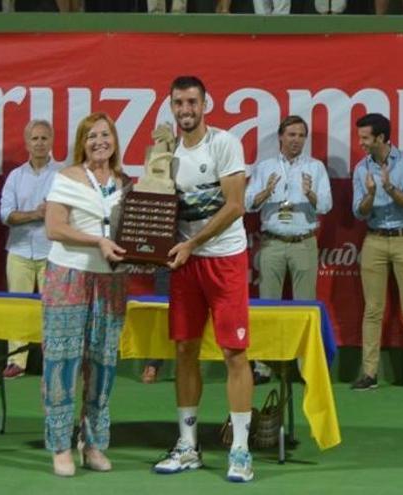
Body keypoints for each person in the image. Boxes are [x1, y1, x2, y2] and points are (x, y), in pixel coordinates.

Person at [151, 76, 254, 483]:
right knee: (184, 351)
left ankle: (241, 450)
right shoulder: (167, 151)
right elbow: (155, 204)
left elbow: (234, 205)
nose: (185, 109)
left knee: (234, 354)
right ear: (171, 107)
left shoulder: (225, 143)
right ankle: (188, 445)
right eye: (178, 103)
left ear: (205, 103)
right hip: (184, 264)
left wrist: (192, 242)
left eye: (191, 101)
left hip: (224, 259)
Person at [41, 112, 129, 477]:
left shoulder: (125, 181)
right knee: (62, 363)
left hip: (111, 281)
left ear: (114, 140)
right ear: (82, 142)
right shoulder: (66, 177)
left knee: (104, 364)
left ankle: (92, 443)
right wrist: (97, 240)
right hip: (68, 275)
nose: (99, 142)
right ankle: (60, 446)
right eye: (91, 136)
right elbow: (54, 227)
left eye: (105, 135)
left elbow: (133, 229)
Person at [245, 114, 332, 383]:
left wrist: (310, 194)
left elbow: (326, 205)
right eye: (291, 135)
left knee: (305, 308)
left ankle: (305, 366)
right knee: (267, 306)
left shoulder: (315, 168)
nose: (296, 140)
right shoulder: (265, 167)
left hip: (303, 242)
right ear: (281, 137)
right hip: (272, 242)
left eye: (301, 135)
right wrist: (265, 192)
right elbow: (249, 203)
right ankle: (263, 366)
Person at [350, 113, 403, 391]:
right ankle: (369, 373)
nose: (360, 142)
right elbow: (358, 213)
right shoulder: (361, 168)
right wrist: (371, 195)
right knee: (372, 309)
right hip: (374, 240)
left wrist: (389, 187)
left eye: (365, 137)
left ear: (381, 138)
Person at [0, 119, 62, 379]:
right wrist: (36, 214)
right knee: (18, 308)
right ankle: (17, 361)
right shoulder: (16, 176)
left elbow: (66, 213)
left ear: (51, 142)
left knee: (54, 309)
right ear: (27, 143)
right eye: (34, 139)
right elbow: (5, 215)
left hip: (52, 251)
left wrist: (46, 215)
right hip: (20, 251)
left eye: (44, 138)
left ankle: (56, 360)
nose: (39, 143)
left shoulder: (62, 175)